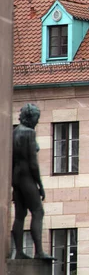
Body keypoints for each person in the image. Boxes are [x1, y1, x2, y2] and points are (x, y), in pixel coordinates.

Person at [12, 103, 53, 259]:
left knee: (19, 215)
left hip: (16, 178)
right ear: (30, 116)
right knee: (38, 211)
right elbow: (33, 162)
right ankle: (39, 252)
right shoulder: (28, 133)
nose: (37, 121)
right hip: (27, 177)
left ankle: (19, 252)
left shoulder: (14, 132)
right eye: (36, 117)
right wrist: (40, 185)